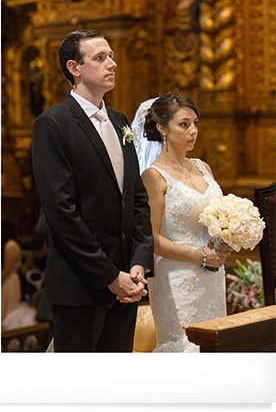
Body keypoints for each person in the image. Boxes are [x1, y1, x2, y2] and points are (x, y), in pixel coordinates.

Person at [31, 29, 153, 352]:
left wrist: (139, 264)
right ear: (75, 68)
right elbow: (61, 213)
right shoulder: (54, 124)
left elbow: (137, 199)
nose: (112, 63)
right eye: (100, 58)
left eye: (111, 56)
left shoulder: (120, 121)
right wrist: (110, 276)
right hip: (80, 288)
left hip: (127, 283)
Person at [134, 93, 232, 352]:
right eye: (184, 124)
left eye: (195, 123)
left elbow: (217, 219)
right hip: (177, 278)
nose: (193, 131)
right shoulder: (154, 176)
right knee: (184, 347)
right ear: (162, 128)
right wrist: (200, 255)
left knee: (212, 346)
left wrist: (227, 240)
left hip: (212, 274)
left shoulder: (203, 167)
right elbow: (152, 239)